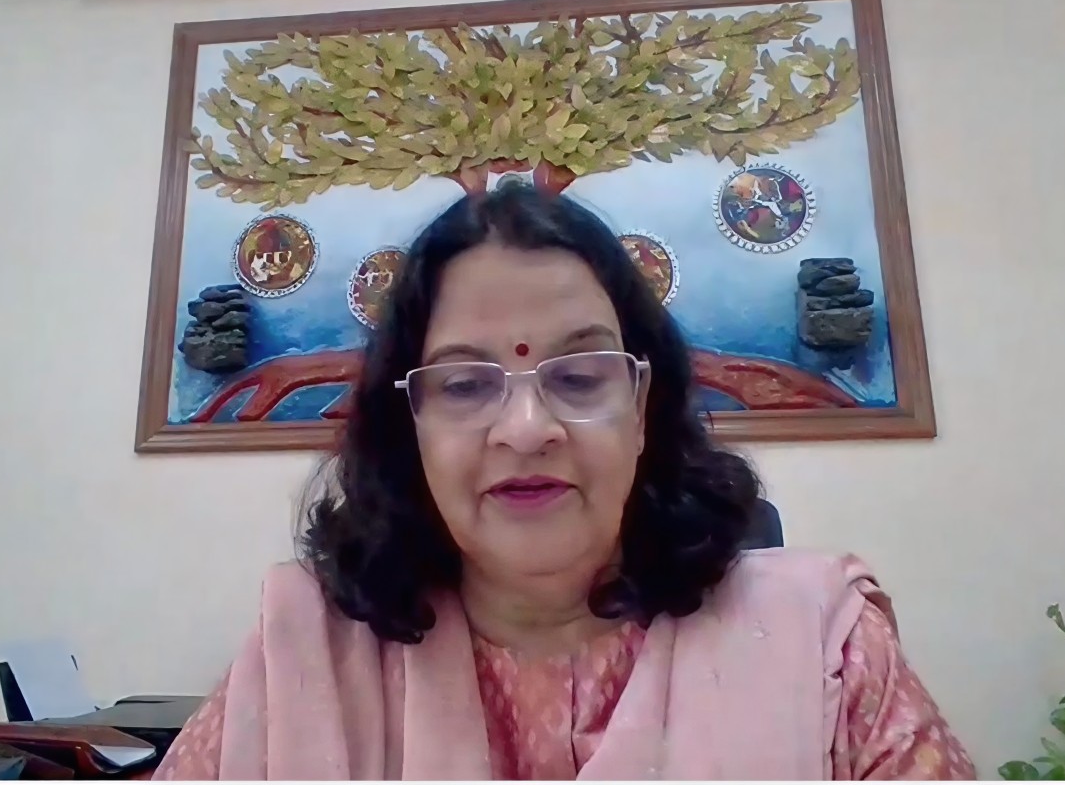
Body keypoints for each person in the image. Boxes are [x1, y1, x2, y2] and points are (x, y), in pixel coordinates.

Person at [156, 183, 978, 780]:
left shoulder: (828, 650)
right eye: (465, 385)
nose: (526, 430)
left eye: (580, 377)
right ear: (410, 424)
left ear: (642, 407)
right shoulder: (301, 657)